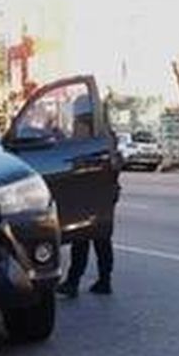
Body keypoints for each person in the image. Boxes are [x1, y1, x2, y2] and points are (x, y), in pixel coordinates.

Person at [58, 95, 120, 297]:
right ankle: (103, 280)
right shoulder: (105, 134)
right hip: (103, 192)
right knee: (101, 238)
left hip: (89, 191)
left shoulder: (86, 134)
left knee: (82, 237)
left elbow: (75, 160)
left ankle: (74, 282)